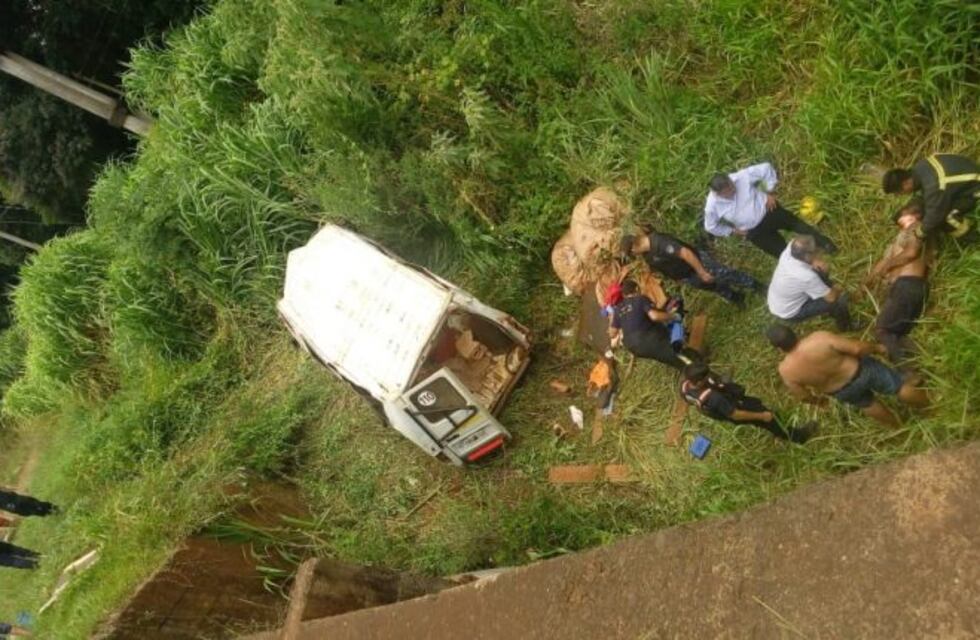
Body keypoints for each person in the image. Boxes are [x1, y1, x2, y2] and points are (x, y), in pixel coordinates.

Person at [766, 325, 928, 427]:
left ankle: (898, 427)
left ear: (778, 348)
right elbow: (857, 349)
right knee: (898, 387)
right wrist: (877, 348)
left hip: (841, 391)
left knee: (869, 405)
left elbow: (802, 396)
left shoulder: (786, 370)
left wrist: (818, 401)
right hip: (861, 370)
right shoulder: (818, 339)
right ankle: (931, 407)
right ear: (795, 333)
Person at [704, 162, 837, 258]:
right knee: (782, 253)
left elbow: (766, 168)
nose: (733, 191)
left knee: (799, 226)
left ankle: (824, 244)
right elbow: (710, 226)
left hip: (769, 210)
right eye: (728, 192)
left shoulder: (740, 177)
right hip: (754, 231)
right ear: (718, 194)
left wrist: (769, 192)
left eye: (732, 187)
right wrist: (732, 231)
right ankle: (810, 269)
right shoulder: (712, 206)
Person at [864, 199, 932, 363]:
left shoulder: (917, 228)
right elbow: (884, 261)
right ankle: (921, 360)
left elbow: (911, 253)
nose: (901, 222)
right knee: (896, 333)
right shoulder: (902, 237)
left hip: (908, 285)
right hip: (902, 287)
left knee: (882, 330)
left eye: (903, 216)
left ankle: (907, 372)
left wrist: (887, 266)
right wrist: (867, 282)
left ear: (915, 215)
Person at [680, 362, 816, 443]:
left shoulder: (684, 387)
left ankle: (777, 430)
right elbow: (735, 414)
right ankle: (797, 436)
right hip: (735, 407)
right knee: (770, 418)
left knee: (761, 407)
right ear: (698, 383)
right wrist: (762, 416)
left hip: (726, 404)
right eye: (706, 377)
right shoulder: (715, 398)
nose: (710, 377)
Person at [620, 231, 763, 307]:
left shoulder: (659, 242)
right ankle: (736, 297)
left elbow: (685, 253)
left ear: (634, 246)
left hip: (697, 263)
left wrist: (701, 271)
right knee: (713, 286)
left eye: (632, 253)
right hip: (687, 275)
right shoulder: (647, 255)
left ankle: (755, 285)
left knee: (726, 274)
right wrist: (679, 279)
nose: (634, 255)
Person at [882, 153, 978, 239]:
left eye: (899, 192)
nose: (900, 195)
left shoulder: (933, 185)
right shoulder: (920, 167)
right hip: (967, 174)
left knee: (945, 218)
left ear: (905, 183)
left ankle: (973, 236)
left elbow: (935, 216)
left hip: (974, 188)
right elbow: (928, 197)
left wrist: (920, 232)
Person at [767, 235, 851, 331]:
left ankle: (827, 303)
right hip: (789, 310)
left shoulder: (791, 249)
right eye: (815, 252)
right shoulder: (806, 276)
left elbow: (798, 243)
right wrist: (836, 289)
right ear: (807, 256)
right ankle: (846, 327)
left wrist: (815, 261)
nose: (819, 253)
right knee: (838, 301)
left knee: (820, 271)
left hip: (779, 298)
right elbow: (831, 298)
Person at [609, 280, 694, 371]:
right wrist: (674, 316)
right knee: (676, 355)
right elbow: (655, 316)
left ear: (624, 295)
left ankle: (687, 368)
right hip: (647, 338)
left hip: (633, 347)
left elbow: (612, 333)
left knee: (666, 356)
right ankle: (695, 368)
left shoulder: (617, 310)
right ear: (637, 289)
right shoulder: (640, 299)